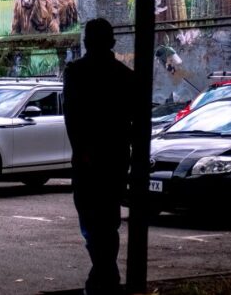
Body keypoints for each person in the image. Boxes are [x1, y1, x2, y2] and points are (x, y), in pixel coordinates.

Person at [63, 18, 137, 295]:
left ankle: (103, 273)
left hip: (88, 161)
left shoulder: (76, 73)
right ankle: (105, 272)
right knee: (108, 219)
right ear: (112, 43)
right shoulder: (125, 76)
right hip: (115, 159)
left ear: (85, 42)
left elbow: (72, 117)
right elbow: (133, 121)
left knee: (91, 219)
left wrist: (82, 152)